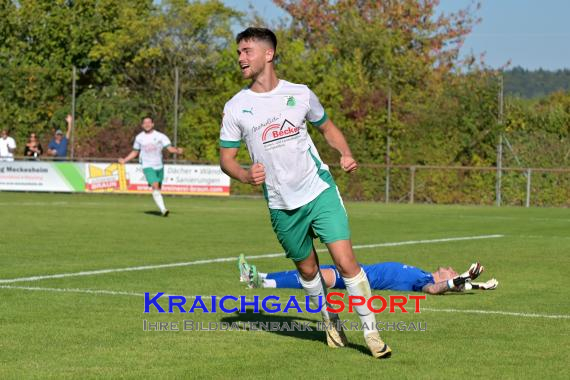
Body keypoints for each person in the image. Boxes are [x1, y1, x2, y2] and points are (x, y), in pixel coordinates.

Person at [219, 27, 390, 358]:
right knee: (308, 270)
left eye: (247, 51)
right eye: (238, 52)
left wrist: (345, 153)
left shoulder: (300, 93)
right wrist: (243, 173)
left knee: (345, 261)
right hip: (282, 205)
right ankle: (330, 320)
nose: (241, 57)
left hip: (319, 190)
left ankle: (372, 333)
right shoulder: (236, 107)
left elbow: (327, 127)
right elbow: (226, 159)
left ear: (268, 54)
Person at [238, 255, 498, 294]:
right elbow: (454, 286)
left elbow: (435, 289)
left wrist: (461, 278)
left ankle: (260, 281)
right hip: (359, 270)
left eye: (451, 271)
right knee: (310, 270)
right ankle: (260, 275)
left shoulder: (425, 281)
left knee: (314, 275)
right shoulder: (422, 273)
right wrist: (478, 284)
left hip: (360, 278)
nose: (449, 268)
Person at [119, 116, 183, 216]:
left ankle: (161, 205)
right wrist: (125, 160)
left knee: (157, 187)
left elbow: (169, 148)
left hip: (159, 166)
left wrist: (177, 151)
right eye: (145, 123)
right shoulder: (139, 137)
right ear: (142, 125)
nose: (147, 124)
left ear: (153, 124)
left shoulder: (161, 136)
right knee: (155, 185)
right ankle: (163, 210)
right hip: (147, 165)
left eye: (149, 122)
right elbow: (135, 152)